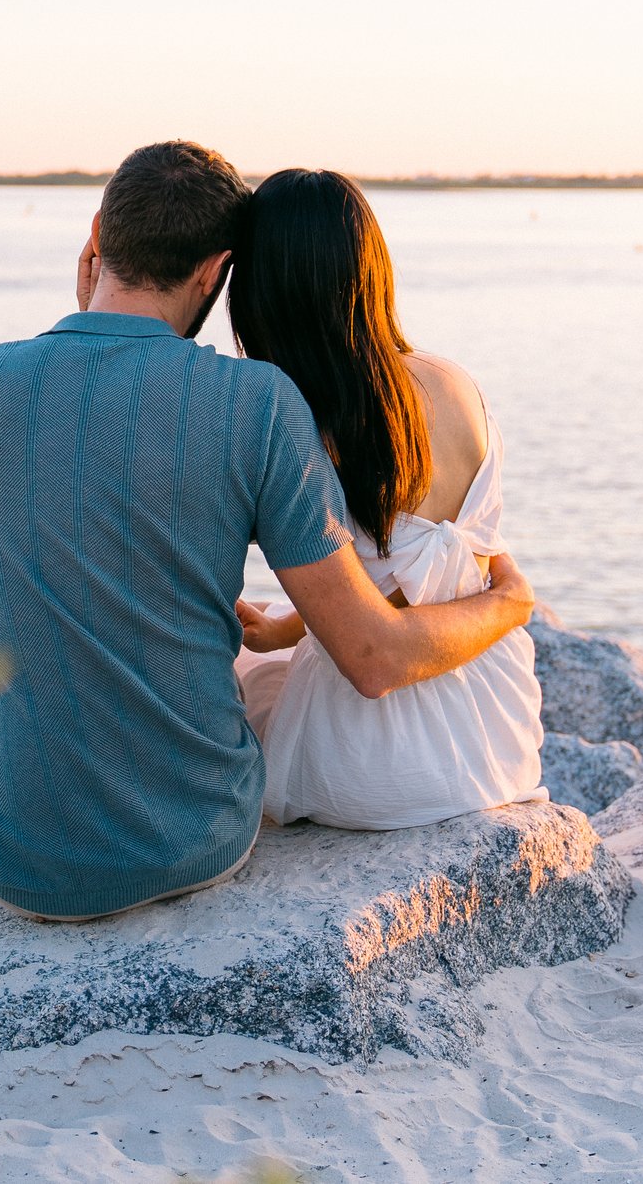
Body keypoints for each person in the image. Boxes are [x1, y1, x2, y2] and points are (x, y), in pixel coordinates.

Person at [0, 141, 535, 926]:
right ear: (214, 272)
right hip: (205, 840)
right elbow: (366, 643)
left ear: (95, 238)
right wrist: (509, 598)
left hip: (20, 863)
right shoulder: (259, 402)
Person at [230, 168, 543, 828]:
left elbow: (375, 648)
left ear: (265, 294)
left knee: (247, 688)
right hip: (494, 743)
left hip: (373, 768)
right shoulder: (457, 387)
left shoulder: (301, 423)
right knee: (274, 662)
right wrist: (289, 625)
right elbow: (424, 575)